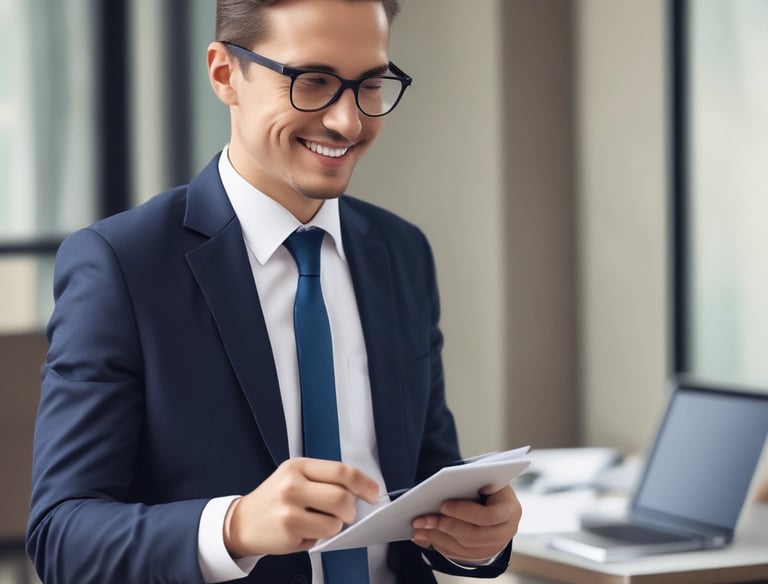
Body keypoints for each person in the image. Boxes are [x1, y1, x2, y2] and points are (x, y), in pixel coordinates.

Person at [26, 0, 522, 582]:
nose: (348, 122)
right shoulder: (121, 266)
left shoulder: (401, 252)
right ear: (223, 73)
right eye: (312, 82)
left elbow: (427, 476)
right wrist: (234, 527)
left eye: (370, 84)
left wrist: (476, 535)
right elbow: (61, 535)